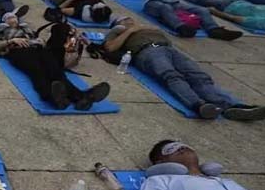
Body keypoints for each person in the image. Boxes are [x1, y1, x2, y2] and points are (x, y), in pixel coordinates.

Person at [103, 15, 265, 120]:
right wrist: (129, 30)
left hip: (169, 49)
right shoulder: (118, 31)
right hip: (147, 51)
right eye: (124, 19)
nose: (129, 20)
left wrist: (142, 28)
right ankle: (198, 105)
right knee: (171, 75)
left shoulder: (146, 27)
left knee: (199, 77)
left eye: (130, 18)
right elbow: (110, 47)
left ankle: (231, 107)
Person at [0, 10, 111, 111]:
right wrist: (11, 41)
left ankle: (82, 97)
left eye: (13, 17)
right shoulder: (1, 31)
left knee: (56, 71)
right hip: (18, 51)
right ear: (4, 22)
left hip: (38, 48)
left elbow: (38, 38)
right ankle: (52, 96)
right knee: (37, 71)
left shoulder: (27, 30)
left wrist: (40, 41)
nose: (12, 19)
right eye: (8, 18)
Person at [181, 0, 265, 30]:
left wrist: (215, 12)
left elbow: (237, 19)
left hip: (229, 6)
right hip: (237, 2)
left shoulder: (262, 22)